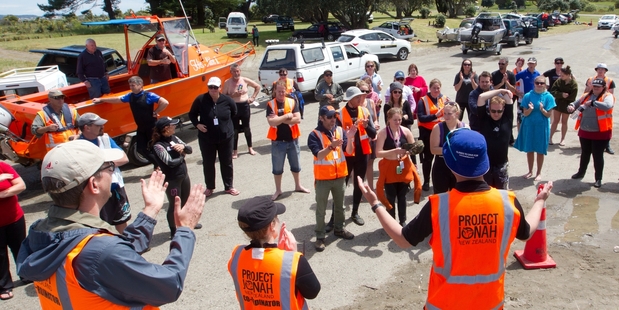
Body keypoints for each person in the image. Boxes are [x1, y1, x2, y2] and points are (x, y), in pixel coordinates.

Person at [356, 129, 553, 310]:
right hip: (490, 303)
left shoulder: (438, 206)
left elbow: (402, 239)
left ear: (449, 163)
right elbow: (527, 233)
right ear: (484, 162)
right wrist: (540, 201)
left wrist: (376, 205)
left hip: (445, 303)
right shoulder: (507, 202)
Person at [17, 140, 206, 308]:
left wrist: (150, 212)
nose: (113, 171)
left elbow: (113, 257)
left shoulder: (41, 232)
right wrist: (184, 230)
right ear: (94, 184)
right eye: (109, 167)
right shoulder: (99, 251)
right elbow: (169, 285)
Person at [228, 197, 320, 307]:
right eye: (276, 218)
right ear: (272, 226)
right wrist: (291, 257)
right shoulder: (292, 261)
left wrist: (281, 254)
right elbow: (312, 292)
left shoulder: (236, 256)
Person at [92, 76, 169, 167]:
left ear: (140, 85)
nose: (131, 87)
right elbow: (117, 99)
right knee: (141, 149)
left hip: (152, 127)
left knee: (156, 148)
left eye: (133, 85)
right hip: (141, 127)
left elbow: (165, 102)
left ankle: (164, 165)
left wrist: (156, 112)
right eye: (130, 85)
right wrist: (101, 99)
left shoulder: (148, 95)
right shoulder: (130, 96)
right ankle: (158, 164)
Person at [308, 105, 356, 251]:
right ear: (321, 118)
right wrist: (330, 146)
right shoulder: (314, 135)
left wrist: (350, 137)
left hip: (340, 176)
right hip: (323, 178)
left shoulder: (340, 131)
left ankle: (339, 229)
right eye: (329, 117)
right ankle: (320, 237)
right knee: (321, 209)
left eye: (334, 116)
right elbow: (318, 154)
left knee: (340, 206)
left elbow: (348, 151)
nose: (332, 120)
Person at [77, 113, 131, 233]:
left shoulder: (105, 139)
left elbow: (124, 158)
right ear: (87, 127)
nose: (103, 127)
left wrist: (101, 165)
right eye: (98, 125)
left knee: (122, 221)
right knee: (100, 226)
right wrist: (110, 163)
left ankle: (130, 245)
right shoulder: (78, 145)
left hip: (115, 188)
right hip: (95, 193)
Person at [150, 117, 202, 237]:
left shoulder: (174, 138)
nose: (175, 127)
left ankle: (187, 224)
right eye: (172, 125)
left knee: (185, 201)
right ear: (166, 128)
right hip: (172, 179)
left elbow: (189, 149)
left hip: (183, 176)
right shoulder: (158, 145)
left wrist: (183, 148)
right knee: (174, 205)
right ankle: (174, 231)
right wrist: (182, 156)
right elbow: (170, 162)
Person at [333, 87, 377, 227]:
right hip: (346, 155)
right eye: (358, 97)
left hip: (362, 153)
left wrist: (367, 126)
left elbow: (373, 134)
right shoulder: (339, 114)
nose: (361, 99)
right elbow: (335, 135)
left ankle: (355, 212)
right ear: (350, 99)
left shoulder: (364, 111)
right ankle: (335, 216)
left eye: (361, 97)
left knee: (359, 184)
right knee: (341, 186)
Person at [189, 77, 239, 197]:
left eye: (215, 87)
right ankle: (210, 187)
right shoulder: (200, 100)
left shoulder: (227, 100)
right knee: (208, 163)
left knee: (226, 162)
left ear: (220, 88)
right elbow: (192, 114)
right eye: (210, 87)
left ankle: (229, 186)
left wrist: (225, 126)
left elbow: (234, 112)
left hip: (225, 138)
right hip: (207, 139)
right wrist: (197, 124)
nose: (213, 89)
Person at [266, 81, 310, 201]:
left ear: (286, 91)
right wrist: (286, 117)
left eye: (283, 91)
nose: (281, 93)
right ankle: (278, 190)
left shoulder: (291, 102)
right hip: (278, 141)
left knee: (296, 165)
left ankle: (298, 185)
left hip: (293, 140)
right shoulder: (270, 104)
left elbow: (297, 119)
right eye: (278, 91)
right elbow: (271, 122)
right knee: (277, 168)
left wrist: (279, 119)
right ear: (275, 91)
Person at [568, 78, 615, 188]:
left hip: (601, 132)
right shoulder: (586, 95)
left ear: (603, 87)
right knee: (585, 153)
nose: (595, 88)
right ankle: (581, 172)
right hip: (585, 130)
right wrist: (571, 106)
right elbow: (575, 103)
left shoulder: (608, 96)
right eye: (594, 86)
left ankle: (598, 179)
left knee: (597, 156)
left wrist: (594, 103)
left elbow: (608, 106)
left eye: (598, 87)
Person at [375, 107, 417, 226]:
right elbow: (378, 153)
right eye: (395, 120)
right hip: (389, 167)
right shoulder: (383, 133)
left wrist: (408, 152)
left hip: (403, 166)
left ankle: (402, 221)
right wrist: (394, 151)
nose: (398, 122)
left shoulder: (406, 131)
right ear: (388, 120)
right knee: (391, 196)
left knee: (402, 196)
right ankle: (391, 222)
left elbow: (413, 148)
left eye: (399, 120)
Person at [514, 76, 556, 181]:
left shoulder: (549, 97)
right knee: (530, 149)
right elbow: (525, 113)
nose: (539, 85)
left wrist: (542, 110)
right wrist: (530, 109)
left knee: (540, 150)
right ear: (534, 83)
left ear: (545, 85)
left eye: (541, 83)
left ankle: (538, 173)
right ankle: (530, 171)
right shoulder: (528, 95)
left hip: (541, 126)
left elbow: (548, 115)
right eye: (537, 83)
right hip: (529, 125)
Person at [477, 89, 515, 189]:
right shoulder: (484, 119)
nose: (496, 114)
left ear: (503, 110)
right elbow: (481, 97)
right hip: (485, 165)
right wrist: (501, 90)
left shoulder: (508, 118)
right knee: (486, 193)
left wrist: (506, 92)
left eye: (499, 111)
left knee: (502, 195)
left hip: (502, 165)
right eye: (493, 111)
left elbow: (508, 98)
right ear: (489, 109)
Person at [222, 63, 261, 158]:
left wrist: (253, 98)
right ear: (231, 72)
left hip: (244, 106)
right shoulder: (227, 82)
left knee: (246, 128)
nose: (236, 73)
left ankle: (250, 147)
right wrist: (232, 96)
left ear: (240, 71)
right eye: (234, 72)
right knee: (234, 130)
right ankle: (235, 151)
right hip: (234, 107)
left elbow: (257, 87)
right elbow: (223, 97)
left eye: (238, 71)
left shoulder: (244, 80)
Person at [0, 161, 26, 301]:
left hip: (14, 217)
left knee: (20, 247)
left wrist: (2, 194)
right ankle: (4, 286)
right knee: (0, 256)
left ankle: (26, 274)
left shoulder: (2, 166)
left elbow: (21, 185)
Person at [417, 78, 449, 191]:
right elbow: (421, 117)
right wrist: (436, 115)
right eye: (434, 88)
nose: (436, 90)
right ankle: (426, 181)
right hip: (427, 133)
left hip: (441, 131)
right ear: (430, 88)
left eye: (438, 88)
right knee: (428, 158)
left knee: (441, 157)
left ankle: (443, 179)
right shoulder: (423, 100)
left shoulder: (444, 99)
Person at [429, 102, 466, 194]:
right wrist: (453, 150)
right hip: (441, 165)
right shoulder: (438, 127)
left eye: (449, 114)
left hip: (458, 167)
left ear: (456, 114)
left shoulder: (464, 127)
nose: (446, 116)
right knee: (440, 197)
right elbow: (433, 149)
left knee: (458, 196)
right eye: (444, 113)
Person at [584, 63, 616, 155]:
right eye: (599, 69)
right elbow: (585, 92)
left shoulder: (610, 81)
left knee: (605, 125)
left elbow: (611, 95)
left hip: (603, 106)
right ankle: (589, 143)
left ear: (605, 71)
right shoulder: (590, 80)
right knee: (591, 123)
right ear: (596, 70)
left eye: (603, 69)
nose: (600, 71)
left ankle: (607, 145)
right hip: (591, 106)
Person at [356, 81, 380, 191]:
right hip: (359, 139)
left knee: (370, 164)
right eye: (362, 91)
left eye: (367, 91)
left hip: (371, 137)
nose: (365, 93)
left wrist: (375, 124)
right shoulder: (355, 105)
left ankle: (370, 189)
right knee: (359, 166)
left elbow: (374, 119)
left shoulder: (370, 102)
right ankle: (359, 190)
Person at [549, 65, 578, 146]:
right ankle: (550, 138)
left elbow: (573, 96)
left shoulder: (573, 84)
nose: (561, 76)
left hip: (567, 105)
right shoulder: (559, 81)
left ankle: (562, 139)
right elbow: (553, 91)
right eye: (560, 75)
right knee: (555, 121)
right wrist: (561, 94)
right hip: (558, 104)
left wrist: (566, 97)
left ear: (568, 75)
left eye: (563, 75)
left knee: (564, 122)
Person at [492, 57, 517, 145]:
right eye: (499, 64)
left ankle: (510, 139)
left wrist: (506, 82)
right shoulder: (494, 74)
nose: (500, 65)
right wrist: (501, 84)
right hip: (497, 101)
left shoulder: (511, 74)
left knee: (509, 119)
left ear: (507, 64)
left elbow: (514, 90)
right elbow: (492, 88)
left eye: (502, 64)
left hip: (508, 101)